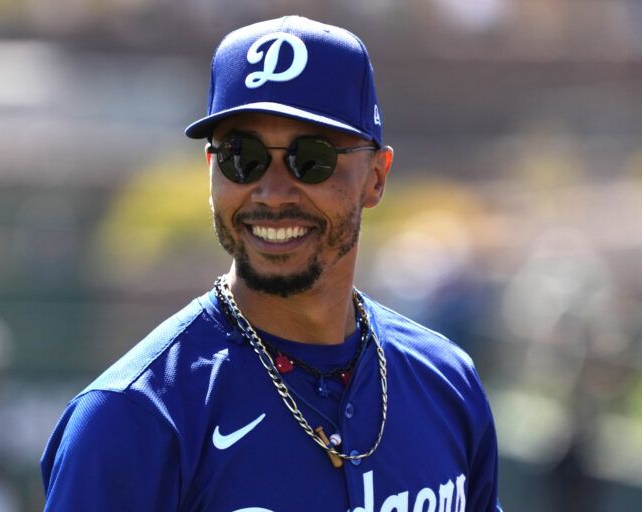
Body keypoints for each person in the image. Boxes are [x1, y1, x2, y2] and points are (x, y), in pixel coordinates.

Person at [41, 15, 503, 511]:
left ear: (376, 177)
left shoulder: (446, 382)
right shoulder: (132, 417)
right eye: (243, 156)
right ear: (211, 171)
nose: (272, 192)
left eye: (312, 158)